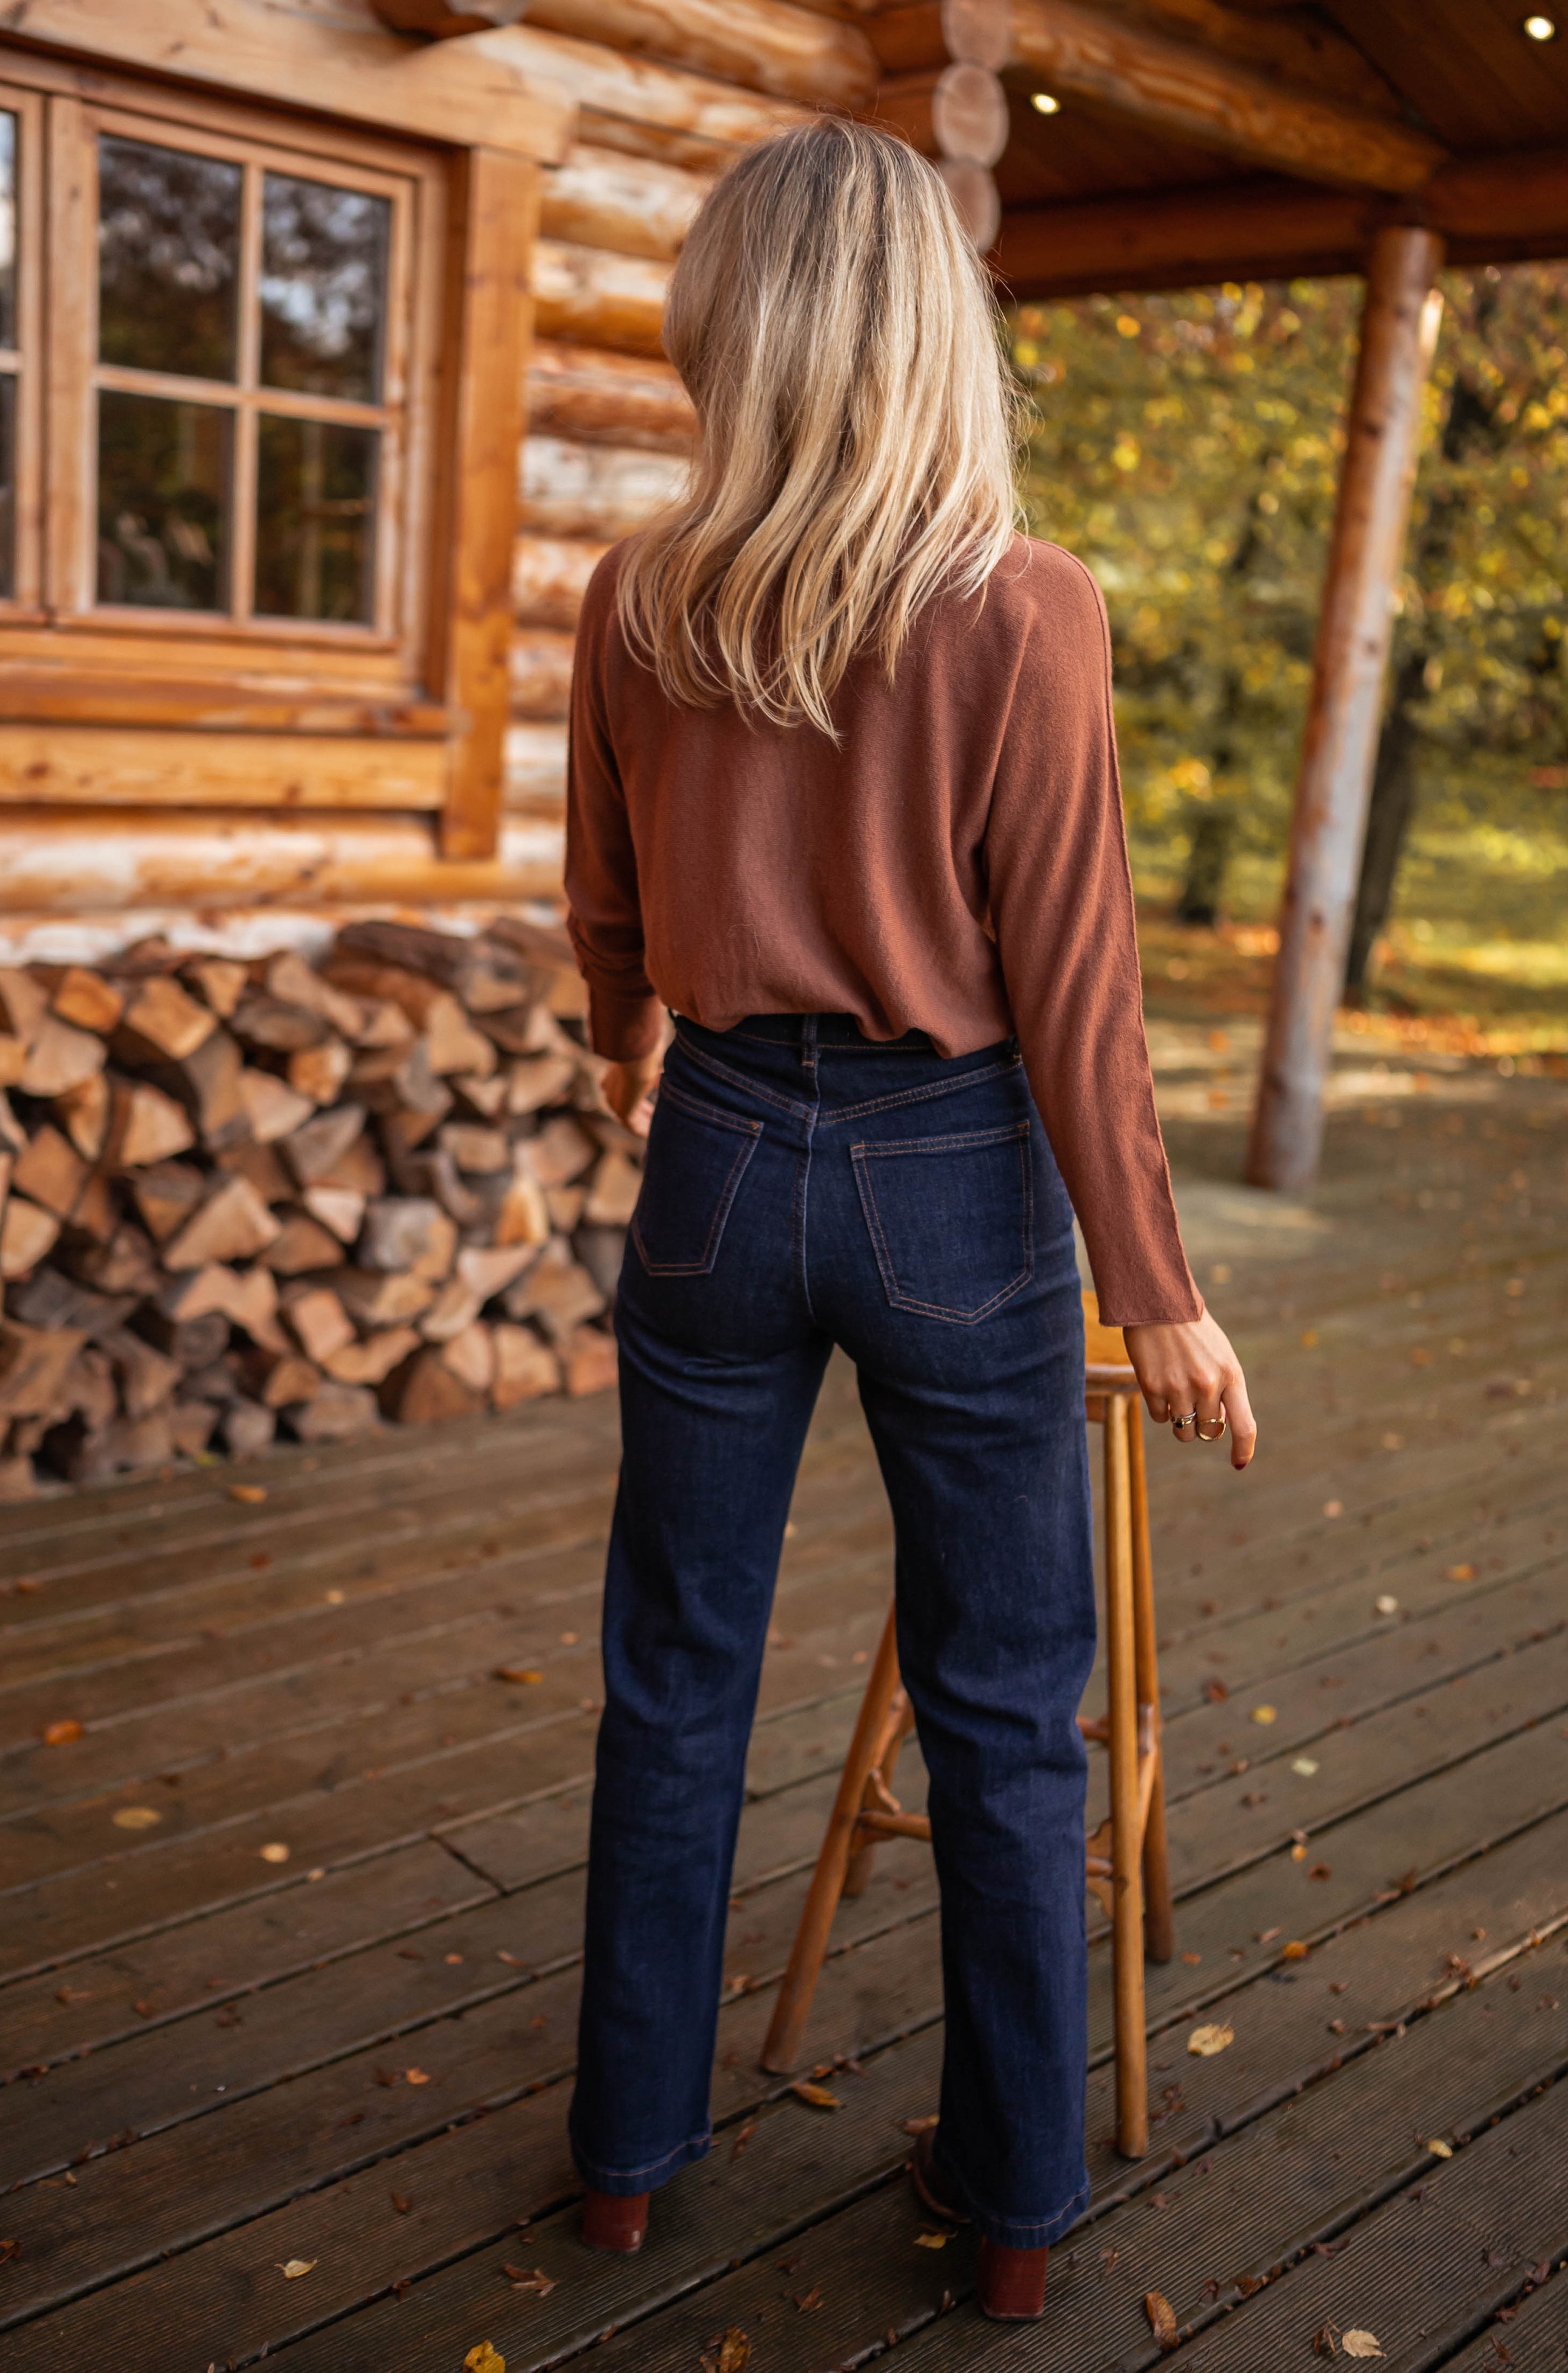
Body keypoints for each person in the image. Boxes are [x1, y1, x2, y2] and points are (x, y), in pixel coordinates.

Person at [563, 116, 1256, 2325]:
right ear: (927, 330)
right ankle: (1015, 2209)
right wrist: (1155, 1290)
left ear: (735, 336)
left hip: (713, 1152)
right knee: (1001, 1707)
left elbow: (598, 902)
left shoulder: (638, 593)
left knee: (671, 1681)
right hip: (957, 1179)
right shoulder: (1019, 605)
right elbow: (1073, 991)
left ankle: (621, 2161)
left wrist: (615, 1040)